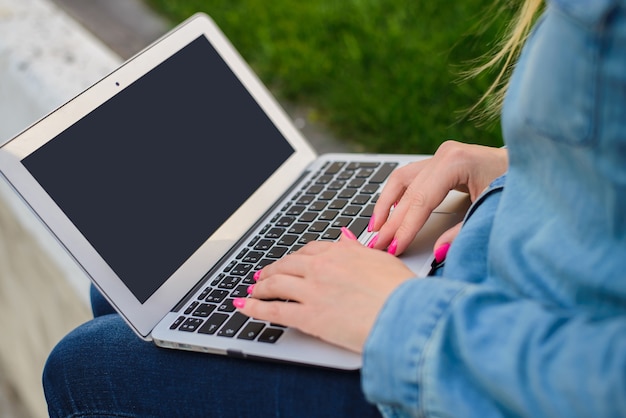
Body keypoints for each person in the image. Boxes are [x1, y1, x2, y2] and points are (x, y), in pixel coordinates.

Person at [43, 0, 626, 416]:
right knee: (142, 296)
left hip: (477, 363)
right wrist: (520, 170)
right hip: (497, 268)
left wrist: (397, 315)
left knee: (86, 367)